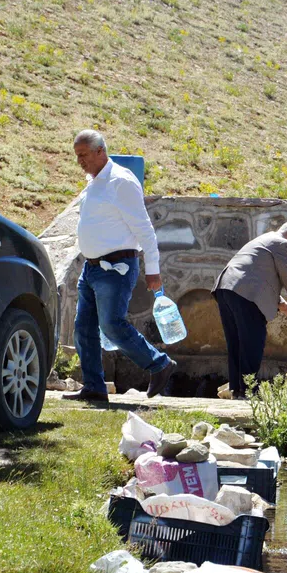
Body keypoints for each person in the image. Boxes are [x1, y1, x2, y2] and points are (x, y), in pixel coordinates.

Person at [64, 130, 177, 402]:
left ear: (100, 151)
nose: (79, 161)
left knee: (112, 325)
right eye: (77, 156)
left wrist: (153, 269)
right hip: (91, 269)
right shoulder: (93, 183)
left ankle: (160, 364)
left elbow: (145, 229)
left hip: (116, 268)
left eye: (83, 155)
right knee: (83, 329)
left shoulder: (121, 181)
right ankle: (94, 386)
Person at [212, 221, 287, 399]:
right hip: (245, 292)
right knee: (253, 340)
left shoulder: (265, 239)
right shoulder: (283, 244)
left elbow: (260, 279)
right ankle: (248, 391)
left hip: (226, 287)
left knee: (236, 342)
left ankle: (238, 390)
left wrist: (286, 308)